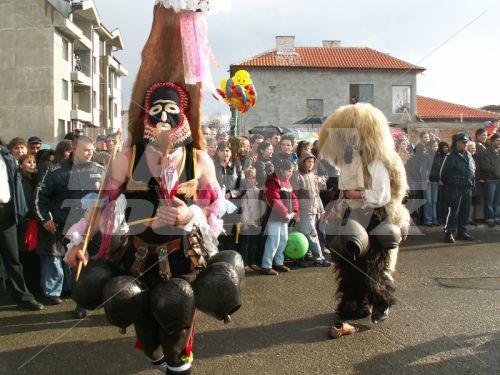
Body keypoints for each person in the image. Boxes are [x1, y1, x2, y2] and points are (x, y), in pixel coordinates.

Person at [64, 3, 239, 372]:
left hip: (183, 261)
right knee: (145, 333)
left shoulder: (199, 160)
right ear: (145, 116)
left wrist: (191, 213)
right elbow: (101, 204)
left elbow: (216, 209)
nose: (163, 118)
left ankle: (177, 363)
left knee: (176, 327)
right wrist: (79, 242)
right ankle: (156, 355)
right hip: (138, 258)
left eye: (170, 112)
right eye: (156, 111)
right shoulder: (126, 158)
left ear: (183, 117)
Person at [319, 103, 410, 326]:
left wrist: (356, 193)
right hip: (352, 216)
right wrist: (336, 205)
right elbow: (343, 190)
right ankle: (354, 303)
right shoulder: (350, 160)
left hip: (374, 218)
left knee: (372, 265)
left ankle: (381, 301)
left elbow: (381, 195)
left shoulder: (377, 162)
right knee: (348, 263)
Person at [34, 136, 102, 308]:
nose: (90, 154)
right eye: (86, 150)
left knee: (93, 264)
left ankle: (92, 298)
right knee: (77, 265)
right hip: (67, 228)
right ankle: (80, 303)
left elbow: (110, 196)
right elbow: (39, 197)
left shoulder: (100, 170)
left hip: (93, 228)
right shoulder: (55, 171)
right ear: (74, 149)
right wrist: (45, 219)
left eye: (92, 150)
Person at [0, 141, 44, 310]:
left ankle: (23, 298)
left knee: (13, 258)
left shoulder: (6, 156)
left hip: (6, 212)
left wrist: (18, 210)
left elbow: (14, 184)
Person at [292, 152, 331, 267]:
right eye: (308, 161)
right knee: (311, 234)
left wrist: (319, 210)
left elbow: (316, 195)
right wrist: (296, 212)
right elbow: (294, 196)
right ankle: (319, 257)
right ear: (303, 162)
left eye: (313, 162)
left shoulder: (313, 176)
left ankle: (300, 258)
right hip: (303, 211)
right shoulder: (297, 176)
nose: (311, 164)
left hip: (312, 210)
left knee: (304, 234)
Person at [260, 159, 298, 276]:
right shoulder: (273, 181)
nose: (290, 174)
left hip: (285, 217)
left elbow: (294, 197)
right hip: (274, 217)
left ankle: (278, 262)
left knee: (283, 240)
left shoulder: (287, 182)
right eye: (289, 171)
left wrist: (294, 211)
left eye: (291, 171)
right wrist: (286, 213)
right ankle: (266, 265)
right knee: (273, 241)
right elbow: (274, 199)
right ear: (281, 170)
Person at [440, 134, 475, 243]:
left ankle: (462, 231)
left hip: (466, 187)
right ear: (457, 143)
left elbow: (472, 168)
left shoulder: (468, 154)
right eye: (463, 142)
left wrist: (471, 181)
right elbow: (443, 173)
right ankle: (449, 232)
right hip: (454, 188)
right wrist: (452, 183)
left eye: (466, 142)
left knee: (465, 211)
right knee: (453, 212)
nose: (466, 144)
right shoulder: (450, 156)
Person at [17, 154, 42, 296]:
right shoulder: (21, 180)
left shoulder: (33, 179)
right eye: (28, 162)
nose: (32, 165)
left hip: (32, 223)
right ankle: (29, 289)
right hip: (26, 223)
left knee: (32, 257)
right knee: (26, 258)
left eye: (33, 162)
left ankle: (33, 288)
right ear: (21, 165)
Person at [215, 141, 245, 251]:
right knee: (218, 235)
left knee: (232, 236)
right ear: (218, 152)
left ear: (231, 152)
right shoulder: (213, 167)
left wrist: (231, 194)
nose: (225, 153)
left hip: (233, 206)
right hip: (216, 206)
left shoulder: (237, 167)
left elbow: (243, 186)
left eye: (227, 150)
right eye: (222, 150)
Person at [239, 167, 265, 271]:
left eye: (253, 178)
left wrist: (258, 222)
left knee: (254, 244)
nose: (251, 180)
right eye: (248, 178)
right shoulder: (244, 192)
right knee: (245, 244)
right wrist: (246, 222)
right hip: (247, 222)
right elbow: (244, 208)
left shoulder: (258, 191)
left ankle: (252, 262)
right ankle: (244, 264)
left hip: (256, 222)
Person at [477, 134, 500, 226]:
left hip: (499, 179)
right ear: (492, 141)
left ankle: (497, 217)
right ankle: (489, 218)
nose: (499, 142)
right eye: (498, 140)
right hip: (490, 180)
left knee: (498, 200)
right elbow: (485, 167)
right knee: (489, 200)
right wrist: (497, 171)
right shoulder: (485, 152)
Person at [429, 141, 449, 224]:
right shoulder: (436, 156)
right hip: (436, 181)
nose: (446, 149)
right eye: (444, 147)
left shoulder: (448, 156)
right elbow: (435, 169)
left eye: (447, 147)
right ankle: (437, 218)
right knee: (437, 201)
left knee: (444, 201)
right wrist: (439, 178)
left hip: (446, 181)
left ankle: (444, 218)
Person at [423, 140, 439, 226]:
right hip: (428, 181)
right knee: (428, 201)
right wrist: (426, 178)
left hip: (436, 180)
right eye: (434, 146)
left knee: (434, 200)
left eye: (436, 146)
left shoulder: (438, 156)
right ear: (429, 147)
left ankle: (434, 218)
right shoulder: (426, 156)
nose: (435, 148)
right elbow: (424, 168)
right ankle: (428, 219)